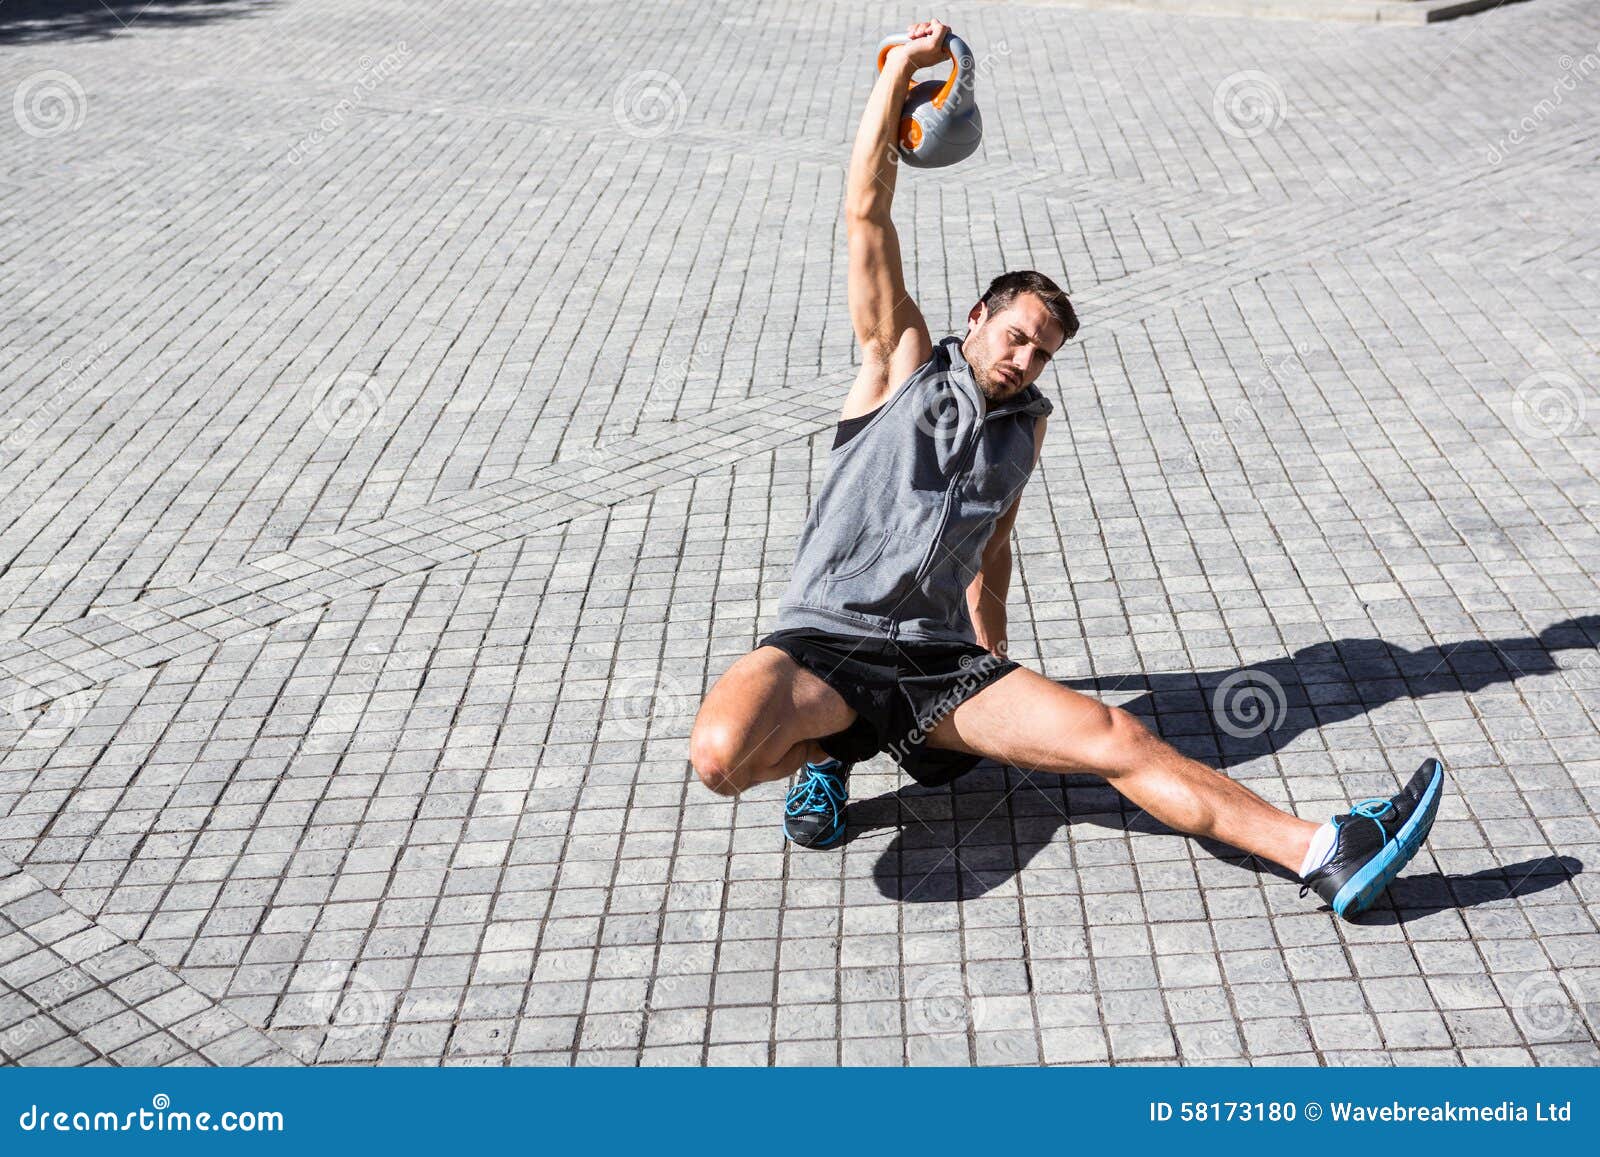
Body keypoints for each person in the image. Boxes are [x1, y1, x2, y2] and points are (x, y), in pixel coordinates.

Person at [687, 19, 1444, 920]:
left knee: (1114, 734)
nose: (1023, 360)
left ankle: (1325, 849)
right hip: (824, 641)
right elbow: (864, 212)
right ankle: (827, 759)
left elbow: (992, 542)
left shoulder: (1024, 429)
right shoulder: (897, 364)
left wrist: (992, 651)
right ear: (976, 317)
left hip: (934, 664)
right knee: (721, 755)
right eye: (1016, 337)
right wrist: (897, 77)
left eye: (1041, 353)